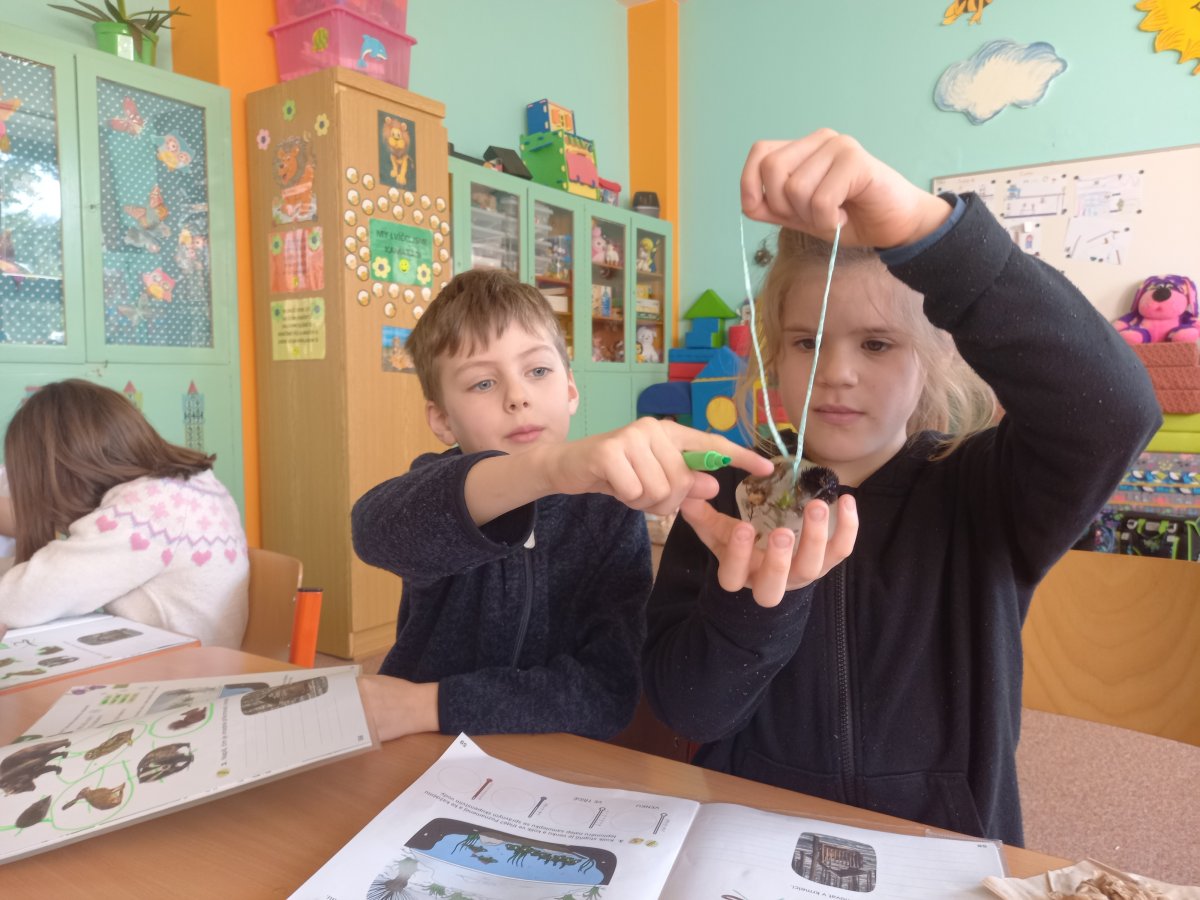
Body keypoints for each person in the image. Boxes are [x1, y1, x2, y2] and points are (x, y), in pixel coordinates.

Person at [642, 130, 1160, 847]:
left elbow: (1115, 409)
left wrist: (930, 232)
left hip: (940, 846)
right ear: (773, 351)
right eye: (807, 341)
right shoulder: (727, 497)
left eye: (877, 344)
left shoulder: (984, 491)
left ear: (933, 358)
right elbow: (687, 709)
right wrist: (756, 606)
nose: (836, 373)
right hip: (756, 844)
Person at [352, 268, 768, 742]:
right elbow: (371, 533)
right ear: (443, 420)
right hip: (423, 752)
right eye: (482, 383)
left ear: (570, 389)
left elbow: (608, 692)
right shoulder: (438, 491)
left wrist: (432, 705)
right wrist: (542, 470)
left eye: (537, 371)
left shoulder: (608, 512)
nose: (517, 397)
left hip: (546, 757)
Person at [0, 379, 248, 647]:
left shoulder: (147, 508)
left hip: (181, 665)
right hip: (202, 657)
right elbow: (62, 568)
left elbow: (32, 594)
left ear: (61, 472)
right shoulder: (190, 486)